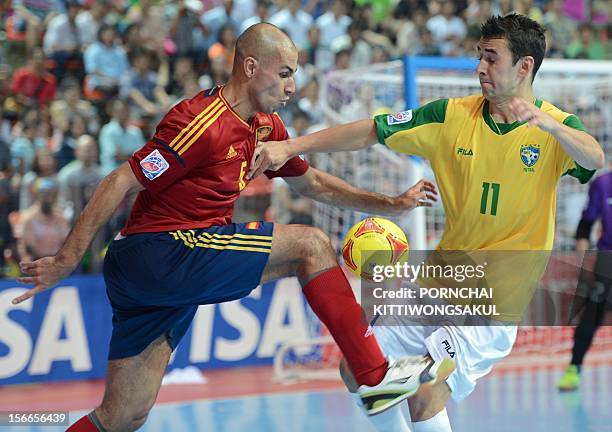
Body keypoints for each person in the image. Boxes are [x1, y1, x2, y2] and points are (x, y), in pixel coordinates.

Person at [12, 23, 452, 432]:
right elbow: (121, 180)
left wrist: (390, 204)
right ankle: (374, 376)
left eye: (294, 75)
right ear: (250, 67)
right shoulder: (199, 120)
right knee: (311, 244)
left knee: (122, 415)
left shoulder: (268, 127)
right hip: (158, 252)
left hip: (166, 268)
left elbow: (313, 184)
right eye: (284, 73)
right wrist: (67, 260)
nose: (291, 86)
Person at [247, 14, 605, 432]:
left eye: (492, 58)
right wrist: (290, 145)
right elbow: (370, 131)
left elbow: (593, 158)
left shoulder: (556, 128)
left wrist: (551, 125)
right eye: (479, 56)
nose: (480, 68)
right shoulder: (450, 116)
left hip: (491, 304)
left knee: (424, 390)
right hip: (438, 281)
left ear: (524, 66)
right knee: (360, 370)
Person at [557, 171, 612, 391]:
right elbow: (585, 226)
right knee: (591, 315)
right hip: (607, 261)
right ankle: (574, 368)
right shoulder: (603, 184)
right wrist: (584, 264)